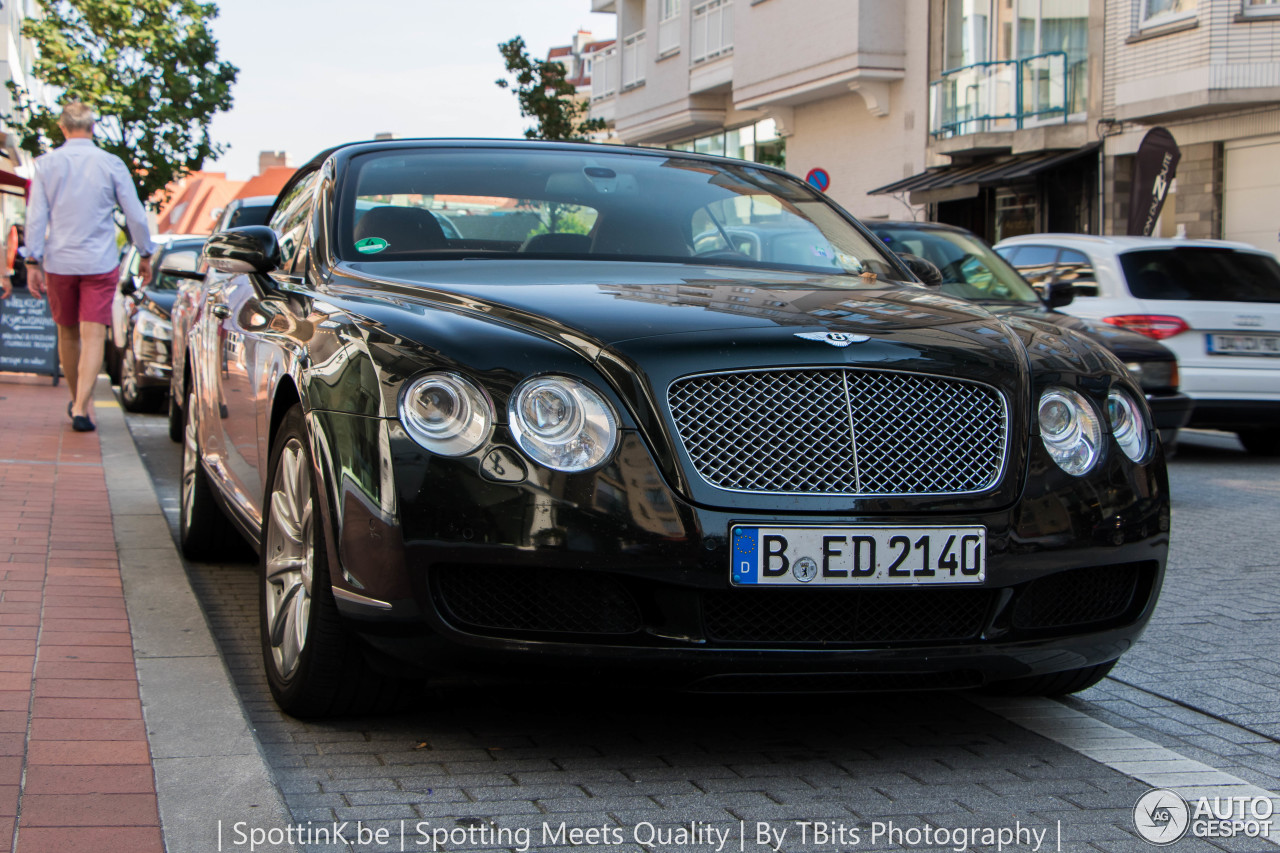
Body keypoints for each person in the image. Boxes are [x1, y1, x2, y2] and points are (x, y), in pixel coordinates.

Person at [25, 101, 155, 432]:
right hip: (99, 261)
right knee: (94, 334)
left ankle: (77, 401)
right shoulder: (111, 163)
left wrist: (32, 260)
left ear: (62, 127)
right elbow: (136, 214)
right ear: (93, 128)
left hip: (59, 261)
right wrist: (145, 252)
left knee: (67, 332)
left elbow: (36, 216)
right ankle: (82, 404)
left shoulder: (46, 165)